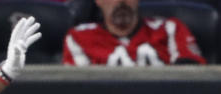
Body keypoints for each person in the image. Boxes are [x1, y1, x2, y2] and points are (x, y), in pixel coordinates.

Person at [63, 0, 206, 65]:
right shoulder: (79, 37)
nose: (121, 2)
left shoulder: (170, 29)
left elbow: (193, 78)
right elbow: (79, 91)